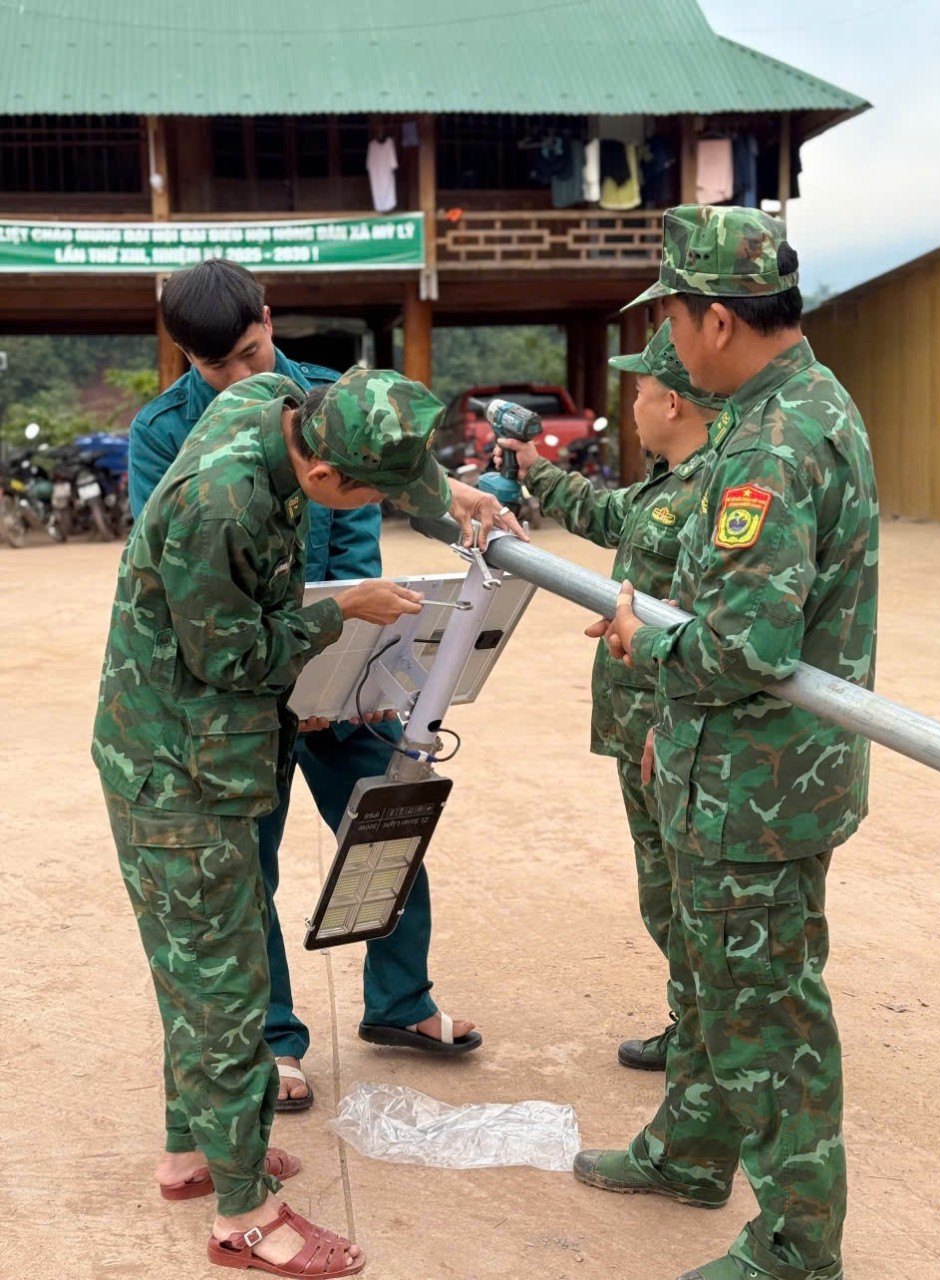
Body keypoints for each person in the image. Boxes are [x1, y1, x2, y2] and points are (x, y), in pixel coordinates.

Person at [94, 367, 515, 1276]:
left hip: (200, 753)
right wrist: (338, 617)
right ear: (322, 475)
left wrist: (453, 495)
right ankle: (244, 1214)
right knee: (221, 984)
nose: (374, 507)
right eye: (368, 493)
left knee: (203, 966)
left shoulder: (270, 399)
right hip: (176, 765)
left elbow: (388, 454)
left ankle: (194, 1153)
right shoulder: (221, 507)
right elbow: (232, 657)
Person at [573, 206, 878, 1280]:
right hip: (747, 773)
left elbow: (745, 642)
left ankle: (798, 1244)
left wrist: (646, 649)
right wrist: (672, 715)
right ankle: (692, 1149)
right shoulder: (801, 404)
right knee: (717, 986)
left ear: (712, 319)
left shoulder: (774, 439)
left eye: (671, 313)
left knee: (767, 1019)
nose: (670, 337)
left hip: (758, 791)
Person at [128, 260, 489, 1112]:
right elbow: (185, 577)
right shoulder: (164, 433)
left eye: (253, 351)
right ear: (184, 355)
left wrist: (357, 668)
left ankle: (401, 1002)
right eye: (218, 367)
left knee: (388, 814)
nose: (244, 378)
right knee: (245, 865)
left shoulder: (332, 401)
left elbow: (382, 500)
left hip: (345, 654)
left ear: (267, 315)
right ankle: (274, 1037)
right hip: (240, 668)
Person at [498, 321, 725, 1070]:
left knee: (684, 897)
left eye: (640, 388)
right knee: (663, 894)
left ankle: (707, 1044)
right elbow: (607, 517)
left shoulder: (714, 492)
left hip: (672, 727)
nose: (630, 401)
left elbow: (716, 626)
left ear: (674, 403)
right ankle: (690, 1026)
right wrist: (532, 469)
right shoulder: (669, 484)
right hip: (640, 726)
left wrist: (673, 718)